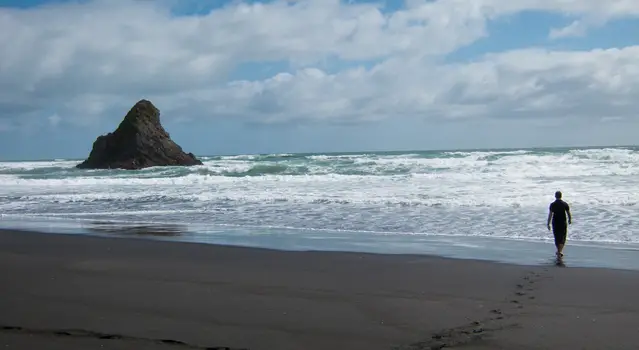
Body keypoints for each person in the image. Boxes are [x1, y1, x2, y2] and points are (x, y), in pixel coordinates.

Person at [547, 191, 572, 258]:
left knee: (556, 236)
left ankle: (559, 250)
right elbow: (568, 213)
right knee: (563, 236)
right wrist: (570, 219)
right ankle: (560, 251)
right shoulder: (564, 204)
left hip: (555, 222)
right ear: (561, 196)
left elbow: (550, 215)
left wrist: (548, 223)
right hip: (563, 222)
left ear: (555, 196)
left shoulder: (552, 204)